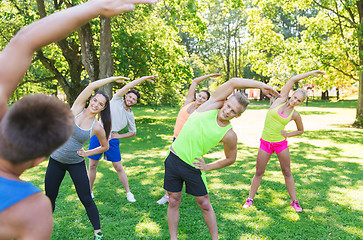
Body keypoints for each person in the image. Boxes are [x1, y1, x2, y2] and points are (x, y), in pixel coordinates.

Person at [0, 1, 157, 239]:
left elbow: (24, 40)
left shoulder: (98, 127)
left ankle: (98, 231)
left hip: (74, 162)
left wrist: (87, 154)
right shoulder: (32, 210)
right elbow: (92, 86)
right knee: (49, 197)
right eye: (94, 100)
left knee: (85, 197)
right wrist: (112, 77)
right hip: (57, 162)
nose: (95, 103)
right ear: (40, 157)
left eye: (100, 104)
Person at [164, 77, 280, 240]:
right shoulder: (210, 104)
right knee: (174, 200)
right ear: (224, 101)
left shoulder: (229, 134)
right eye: (228, 106)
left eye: (233, 111)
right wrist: (262, 86)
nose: (227, 111)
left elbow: (231, 158)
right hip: (173, 159)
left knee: (204, 204)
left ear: (238, 116)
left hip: (193, 167)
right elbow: (233, 82)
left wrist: (208, 166)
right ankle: (173, 238)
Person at [242, 70, 325, 212]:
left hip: (280, 144)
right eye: (294, 97)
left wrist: (287, 134)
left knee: (287, 171)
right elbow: (293, 79)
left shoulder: (295, 115)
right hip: (265, 143)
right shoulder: (280, 99)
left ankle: (294, 201)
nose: (294, 101)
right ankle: (250, 199)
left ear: (300, 103)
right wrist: (311, 74)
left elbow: (300, 130)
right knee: (259, 172)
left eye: (298, 100)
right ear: (291, 95)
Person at [88, 75, 157, 202]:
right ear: (125, 96)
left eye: (134, 99)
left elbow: (133, 132)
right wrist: (144, 78)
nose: (131, 99)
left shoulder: (130, 115)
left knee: (118, 167)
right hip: (98, 135)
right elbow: (129, 86)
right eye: (130, 96)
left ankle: (129, 193)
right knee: (92, 166)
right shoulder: (116, 100)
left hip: (112, 140)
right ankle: (89, 192)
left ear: (135, 102)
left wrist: (119, 135)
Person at [157, 73, 221, 204]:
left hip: (188, 144)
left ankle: (203, 192)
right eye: (200, 96)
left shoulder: (202, 112)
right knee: (170, 167)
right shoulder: (188, 103)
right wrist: (211, 75)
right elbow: (195, 81)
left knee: (197, 166)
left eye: (204, 98)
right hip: (176, 141)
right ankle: (167, 195)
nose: (201, 98)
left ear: (206, 102)